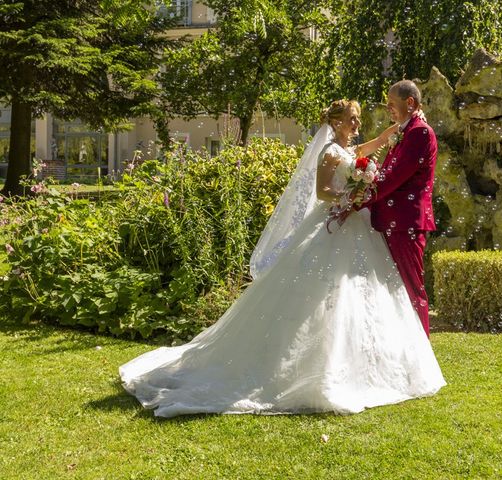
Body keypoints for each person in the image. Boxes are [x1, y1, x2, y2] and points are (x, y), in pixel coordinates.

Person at [119, 99, 445, 417]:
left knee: (363, 292)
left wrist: (385, 139)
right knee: (323, 295)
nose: (357, 124)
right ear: (336, 123)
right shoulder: (329, 152)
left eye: (358, 118)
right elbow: (322, 193)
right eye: (352, 119)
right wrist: (351, 195)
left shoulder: (349, 151)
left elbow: (362, 152)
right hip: (334, 222)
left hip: (356, 223)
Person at [355, 80, 438, 337]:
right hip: (392, 220)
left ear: (409, 102)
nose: (388, 108)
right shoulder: (405, 131)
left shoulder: (419, 133)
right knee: (395, 288)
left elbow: (393, 178)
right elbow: (386, 171)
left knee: (412, 288)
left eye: (392, 103)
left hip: (405, 223)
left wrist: (357, 201)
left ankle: (421, 350)